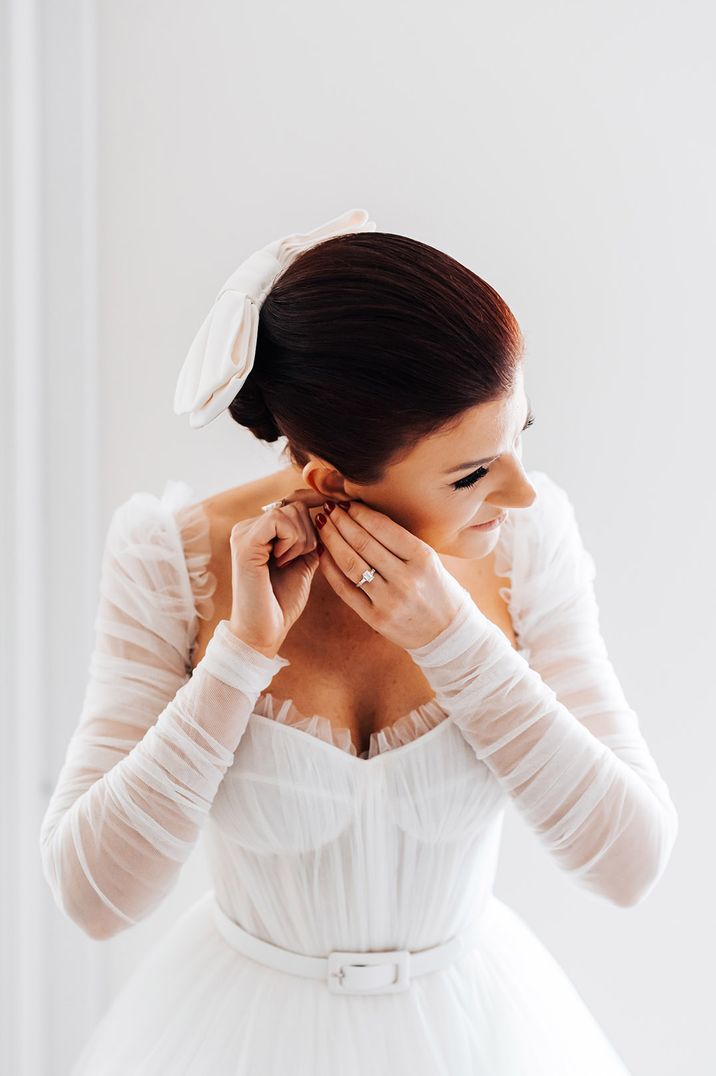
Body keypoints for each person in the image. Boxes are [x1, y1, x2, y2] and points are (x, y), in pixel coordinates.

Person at [40, 208, 678, 1074]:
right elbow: (96, 899)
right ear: (330, 478)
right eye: (471, 472)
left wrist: (458, 644)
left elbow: (631, 865)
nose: (522, 493)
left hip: (478, 1033)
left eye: (519, 436)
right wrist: (236, 661)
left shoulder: (530, 546)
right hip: (237, 1038)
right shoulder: (170, 558)